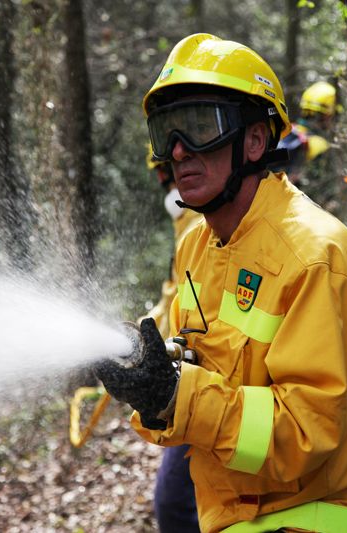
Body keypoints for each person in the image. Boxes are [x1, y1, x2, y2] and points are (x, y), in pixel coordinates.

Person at [96, 33, 347, 533]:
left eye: (199, 127)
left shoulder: (314, 257)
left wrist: (177, 396)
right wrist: (151, 372)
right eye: (165, 132)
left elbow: (306, 431)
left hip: (306, 518)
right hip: (237, 509)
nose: (179, 151)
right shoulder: (200, 244)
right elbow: (203, 364)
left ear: (255, 140)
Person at [144, 145, 202, 533]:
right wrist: (141, 331)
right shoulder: (187, 226)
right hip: (198, 386)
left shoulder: (203, 223)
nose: (171, 178)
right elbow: (174, 294)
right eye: (166, 172)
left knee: (175, 504)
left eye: (171, 169)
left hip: (210, 389)